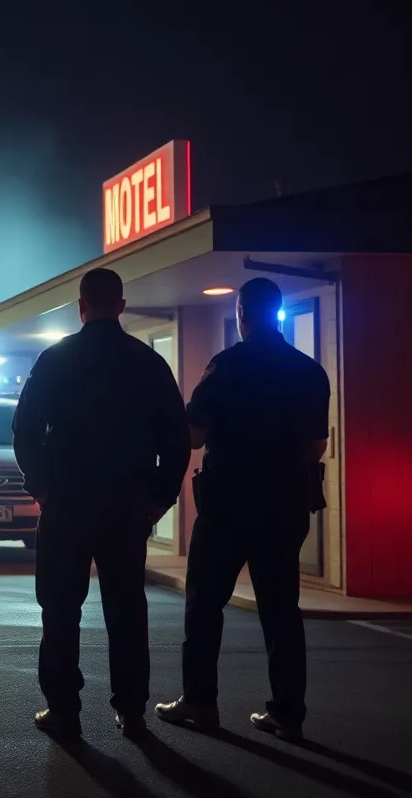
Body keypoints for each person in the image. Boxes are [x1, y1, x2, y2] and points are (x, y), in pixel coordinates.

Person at [13, 267, 191, 741]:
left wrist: (42, 488)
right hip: (127, 506)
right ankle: (131, 710)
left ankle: (63, 708)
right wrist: (158, 500)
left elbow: (24, 430)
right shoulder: (148, 363)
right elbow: (177, 440)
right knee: (126, 609)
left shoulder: (55, 360)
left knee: (60, 608)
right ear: (121, 305)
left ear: (80, 306)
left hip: (67, 504)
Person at [156, 277, 330, 742]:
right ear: (277, 313)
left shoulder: (227, 366)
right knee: (281, 613)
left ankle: (199, 702)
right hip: (284, 506)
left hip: (228, 507)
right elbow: (316, 445)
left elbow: (193, 434)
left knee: (205, 607)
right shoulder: (308, 371)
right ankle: (288, 714)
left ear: (241, 313)